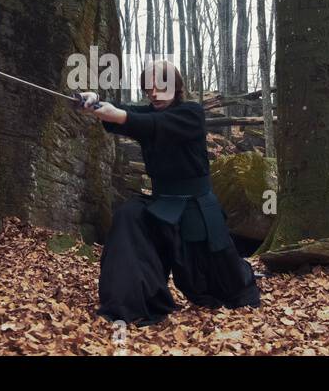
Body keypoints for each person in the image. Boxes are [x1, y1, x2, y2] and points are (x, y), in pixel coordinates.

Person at [78, 60, 261, 327]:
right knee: (129, 217)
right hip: (161, 205)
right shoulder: (148, 113)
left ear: (176, 88)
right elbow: (128, 114)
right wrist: (94, 102)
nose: (153, 93)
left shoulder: (191, 113)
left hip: (196, 209)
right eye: (148, 88)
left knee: (225, 289)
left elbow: (151, 124)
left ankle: (243, 274)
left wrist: (118, 116)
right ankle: (130, 304)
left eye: (160, 87)